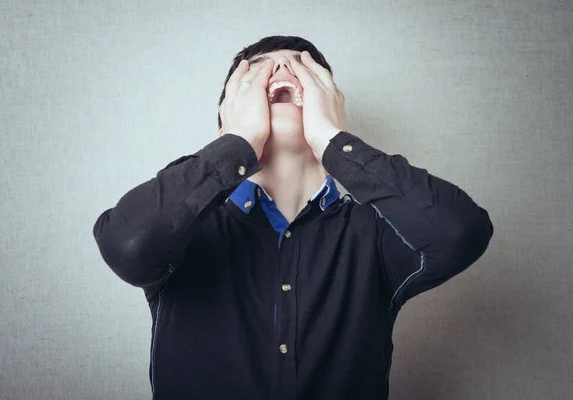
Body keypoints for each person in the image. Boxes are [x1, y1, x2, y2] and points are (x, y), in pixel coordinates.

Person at [92, 35, 494, 400]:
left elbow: (460, 232)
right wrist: (238, 141)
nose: (282, 71)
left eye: (304, 69)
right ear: (227, 117)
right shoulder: (184, 231)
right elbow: (127, 245)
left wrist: (334, 140)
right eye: (258, 70)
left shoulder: (377, 235)